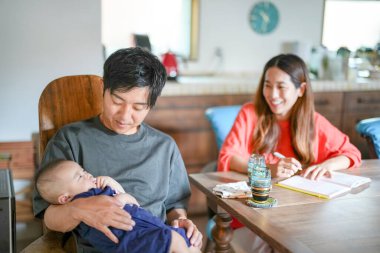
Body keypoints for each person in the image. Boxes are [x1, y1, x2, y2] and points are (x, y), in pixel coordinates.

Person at [32, 47, 202, 249]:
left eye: (138, 108)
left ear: (151, 105)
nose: (124, 116)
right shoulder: (71, 139)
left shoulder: (165, 147)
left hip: (157, 241)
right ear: (103, 89)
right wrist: (78, 209)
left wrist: (181, 220)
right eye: (117, 101)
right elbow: (49, 217)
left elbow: (175, 206)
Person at [217, 54, 361, 252]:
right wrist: (268, 169)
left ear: (301, 89)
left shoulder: (313, 122)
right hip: (251, 217)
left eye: (281, 87)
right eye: (267, 85)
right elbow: (228, 157)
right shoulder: (250, 113)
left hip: (297, 217)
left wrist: (326, 165)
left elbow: (351, 153)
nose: (272, 94)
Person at [35, 160, 200, 253]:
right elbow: (50, 218)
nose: (87, 174)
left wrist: (113, 185)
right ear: (65, 198)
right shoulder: (85, 198)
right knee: (175, 240)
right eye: (79, 176)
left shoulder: (99, 190)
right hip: (132, 241)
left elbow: (131, 203)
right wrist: (77, 208)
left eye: (84, 170)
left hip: (150, 228)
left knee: (187, 241)